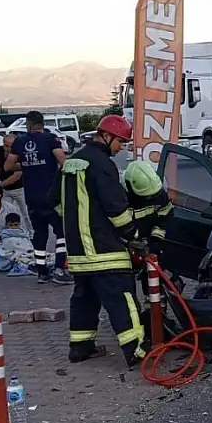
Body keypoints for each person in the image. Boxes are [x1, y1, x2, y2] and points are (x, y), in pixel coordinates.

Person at [50, 115, 147, 368]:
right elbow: (116, 208)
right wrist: (133, 235)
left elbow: (57, 202)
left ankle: (80, 348)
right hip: (104, 250)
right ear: (107, 136)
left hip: (78, 251)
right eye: (120, 142)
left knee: (85, 298)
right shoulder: (102, 164)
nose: (121, 148)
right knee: (122, 298)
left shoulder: (71, 163)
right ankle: (136, 351)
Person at [5, 111, 72, 285]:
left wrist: (27, 165)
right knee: (62, 233)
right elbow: (63, 161)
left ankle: (42, 272)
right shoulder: (50, 139)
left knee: (39, 234)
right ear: (42, 123)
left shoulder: (20, 142)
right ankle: (59, 269)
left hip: (31, 196)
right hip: (52, 196)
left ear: (28, 124)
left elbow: (8, 165)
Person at [122, 160, 173, 253]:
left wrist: (155, 241)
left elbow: (165, 218)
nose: (150, 199)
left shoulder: (158, 193)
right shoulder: (117, 197)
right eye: (146, 196)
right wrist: (127, 242)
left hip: (146, 245)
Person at [0, 133, 27, 227]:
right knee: (4, 214)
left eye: (12, 146)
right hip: (5, 190)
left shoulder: (19, 153)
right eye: (7, 146)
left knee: (26, 214)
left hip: (21, 188)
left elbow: (16, 176)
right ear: (3, 144)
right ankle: (5, 233)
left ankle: (31, 234)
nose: (9, 149)